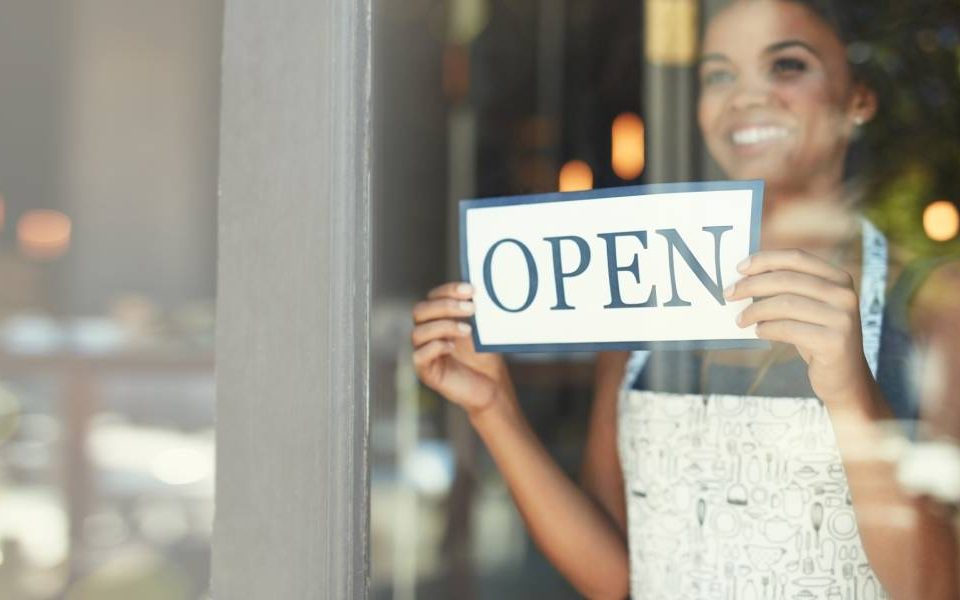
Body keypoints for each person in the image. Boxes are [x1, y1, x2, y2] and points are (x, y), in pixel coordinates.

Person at [411, 1, 960, 598]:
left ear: (860, 98)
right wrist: (494, 407)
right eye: (719, 74)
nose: (746, 95)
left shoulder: (930, 308)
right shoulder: (646, 292)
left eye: (787, 65)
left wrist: (853, 397)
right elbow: (616, 576)